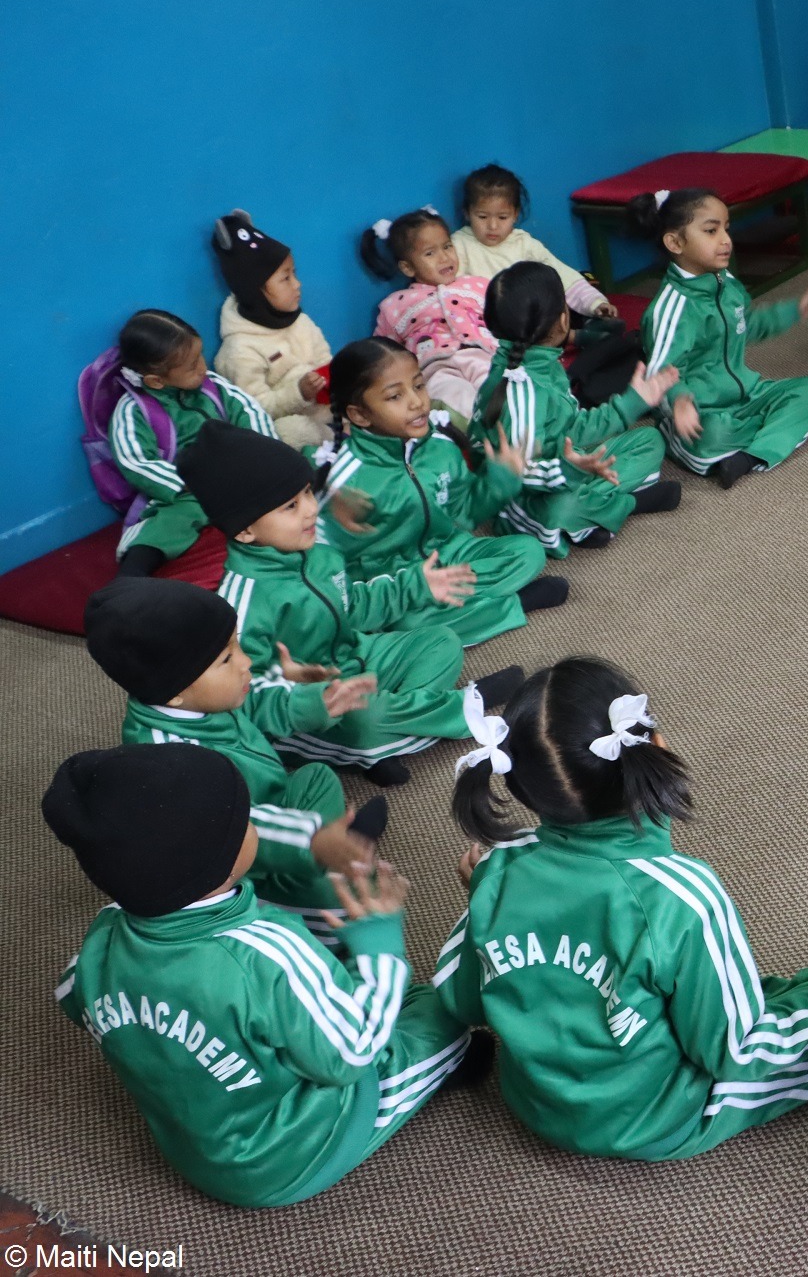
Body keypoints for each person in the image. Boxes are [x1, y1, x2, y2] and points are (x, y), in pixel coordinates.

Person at [438, 656, 808, 1159]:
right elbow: (737, 1051)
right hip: (654, 1117)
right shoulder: (685, 894)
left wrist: (486, 902)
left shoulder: (498, 869)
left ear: (517, 783)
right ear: (654, 746)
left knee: (757, 990)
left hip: (536, 1101)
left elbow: (460, 999)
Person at [49, 743, 476, 1207]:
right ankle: (442, 1067)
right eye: (247, 819)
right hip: (290, 1155)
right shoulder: (266, 949)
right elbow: (351, 1054)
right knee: (439, 1009)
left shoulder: (102, 938)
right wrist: (381, 945)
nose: (258, 822)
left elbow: (72, 996)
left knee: (326, 1002)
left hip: (192, 1147)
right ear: (216, 859)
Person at [176, 422, 524, 786]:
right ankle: (460, 708)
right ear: (245, 530)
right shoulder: (239, 603)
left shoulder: (320, 554)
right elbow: (246, 693)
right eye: (291, 506)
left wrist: (414, 586)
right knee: (364, 720)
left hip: (359, 655)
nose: (311, 510)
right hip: (316, 700)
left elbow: (354, 604)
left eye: (309, 492)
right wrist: (308, 698)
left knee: (441, 641)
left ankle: (384, 741)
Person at [85, 577, 384, 945]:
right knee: (346, 910)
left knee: (316, 776)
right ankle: (316, 873)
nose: (246, 662)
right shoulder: (171, 760)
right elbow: (232, 824)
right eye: (227, 658)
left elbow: (256, 700)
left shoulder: (196, 696)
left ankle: (328, 849)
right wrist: (311, 840)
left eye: (238, 646)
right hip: (231, 860)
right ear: (176, 692)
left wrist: (312, 700)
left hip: (264, 804)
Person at [318, 336, 564, 645]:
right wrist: (403, 589)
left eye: (418, 385)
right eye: (395, 396)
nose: (416, 401)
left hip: (448, 552)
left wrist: (501, 481)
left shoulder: (439, 446)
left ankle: (455, 608)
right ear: (360, 415)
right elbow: (325, 568)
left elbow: (465, 515)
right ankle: (510, 606)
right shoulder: (342, 482)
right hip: (395, 581)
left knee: (528, 552)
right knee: (405, 622)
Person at [471, 262, 681, 556]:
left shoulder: (544, 364)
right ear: (563, 319)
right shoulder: (522, 392)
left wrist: (632, 402)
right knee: (563, 506)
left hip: (563, 465)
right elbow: (517, 474)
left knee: (650, 440)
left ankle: (593, 512)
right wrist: (568, 471)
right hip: (525, 497)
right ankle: (626, 504)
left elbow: (574, 428)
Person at [628, 188, 808, 487]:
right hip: (700, 410)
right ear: (675, 242)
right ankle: (683, 437)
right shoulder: (671, 308)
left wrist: (795, 309)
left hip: (745, 394)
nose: (725, 240)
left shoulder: (726, 283)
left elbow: (748, 324)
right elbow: (660, 370)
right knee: (715, 434)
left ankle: (750, 456)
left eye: (726, 228)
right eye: (711, 230)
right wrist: (681, 401)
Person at [105, 309, 279, 576]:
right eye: (192, 365)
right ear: (156, 380)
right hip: (188, 490)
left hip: (236, 473)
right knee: (172, 522)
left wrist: (259, 454)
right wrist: (187, 482)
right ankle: (132, 573)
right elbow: (136, 461)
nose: (203, 367)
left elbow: (250, 412)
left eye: (200, 355)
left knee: (285, 478)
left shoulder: (213, 386)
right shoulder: (133, 411)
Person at [211, 210, 334, 449]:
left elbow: (324, 360)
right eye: (285, 278)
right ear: (256, 290)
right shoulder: (239, 350)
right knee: (288, 432)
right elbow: (256, 410)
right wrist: (300, 392)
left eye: (294, 273)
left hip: (330, 414)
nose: (297, 285)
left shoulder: (300, 321)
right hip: (295, 427)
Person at [362, 208, 497, 421]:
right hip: (433, 367)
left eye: (447, 246)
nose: (444, 258)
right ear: (407, 267)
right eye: (430, 253)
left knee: (498, 390)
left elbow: (506, 320)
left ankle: (517, 438)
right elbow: (383, 353)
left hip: (483, 355)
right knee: (452, 398)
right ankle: (479, 443)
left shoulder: (478, 285)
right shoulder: (395, 305)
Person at [450, 164, 617, 319]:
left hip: (528, 321)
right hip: (480, 325)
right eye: (482, 217)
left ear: (515, 214)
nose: (492, 226)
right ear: (467, 212)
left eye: (502, 217)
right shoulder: (458, 245)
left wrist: (595, 303)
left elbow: (562, 276)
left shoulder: (524, 245)